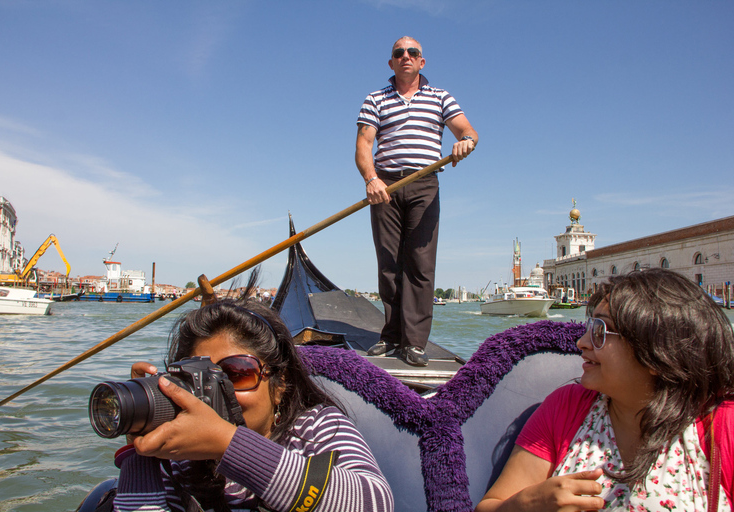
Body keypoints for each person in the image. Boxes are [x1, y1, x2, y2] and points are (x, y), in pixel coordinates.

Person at [475, 268, 734, 511]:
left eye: (600, 331)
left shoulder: (722, 426)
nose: (581, 342)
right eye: (589, 327)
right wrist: (529, 504)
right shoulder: (564, 407)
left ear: (657, 354)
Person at [110, 294, 394, 511]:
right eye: (199, 380)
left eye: (236, 373)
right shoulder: (183, 458)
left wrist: (228, 444)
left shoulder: (314, 428)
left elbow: (375, 502)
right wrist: (141, 449)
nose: (219, 393)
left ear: (279, 384)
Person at [357, 36, 478, 367]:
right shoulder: (375, 99)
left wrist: (464, 144)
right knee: (389, 263)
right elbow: (364, 144)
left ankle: (414, 342)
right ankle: (391, 336)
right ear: (391, 63)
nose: (406, 56)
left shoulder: (441, 97)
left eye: (413, 53)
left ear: (422, 62)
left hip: (425, 183)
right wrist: (371, 180)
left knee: (420, 265)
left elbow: (468, 132)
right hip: (385, 185)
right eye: (399, 53)